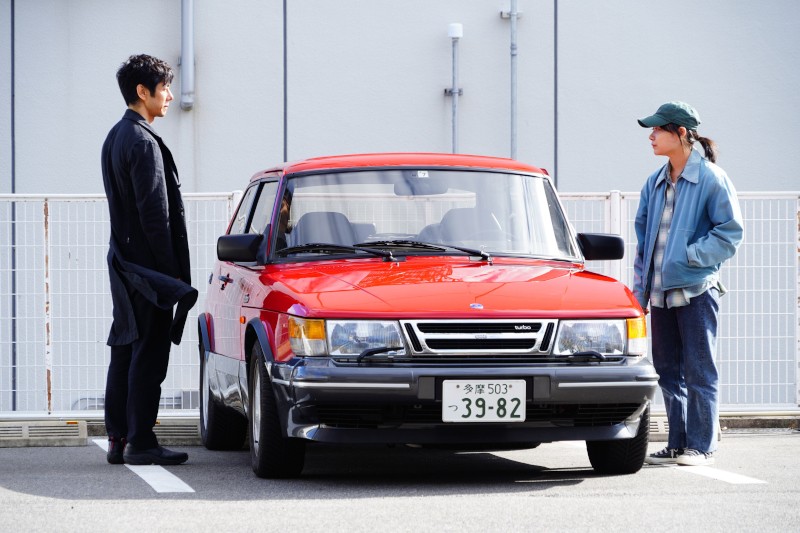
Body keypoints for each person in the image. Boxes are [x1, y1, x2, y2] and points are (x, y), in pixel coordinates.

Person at [633, 102, 743, 467]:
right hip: (662, 294)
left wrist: (689, 256)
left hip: (696, 290)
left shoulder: (711, 177)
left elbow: (729, 233)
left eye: (657, 129)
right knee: (667, 370)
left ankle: (703, 444)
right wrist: (641, 290)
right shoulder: (655, 181)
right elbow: (643, 239)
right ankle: (678, 442)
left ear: (681, 133)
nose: (651, 136)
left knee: (699, 368)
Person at [101, 54, 198, 465]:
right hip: (147, 268)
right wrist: (169, 276)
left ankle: (118, 438)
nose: (171, 96)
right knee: (149, 352)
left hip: (124, 261)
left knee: (126, 345)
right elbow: (155, 215)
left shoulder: (115, 137)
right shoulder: (142, 141)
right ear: (143, 92)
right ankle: (140, 441)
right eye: (165, 89)